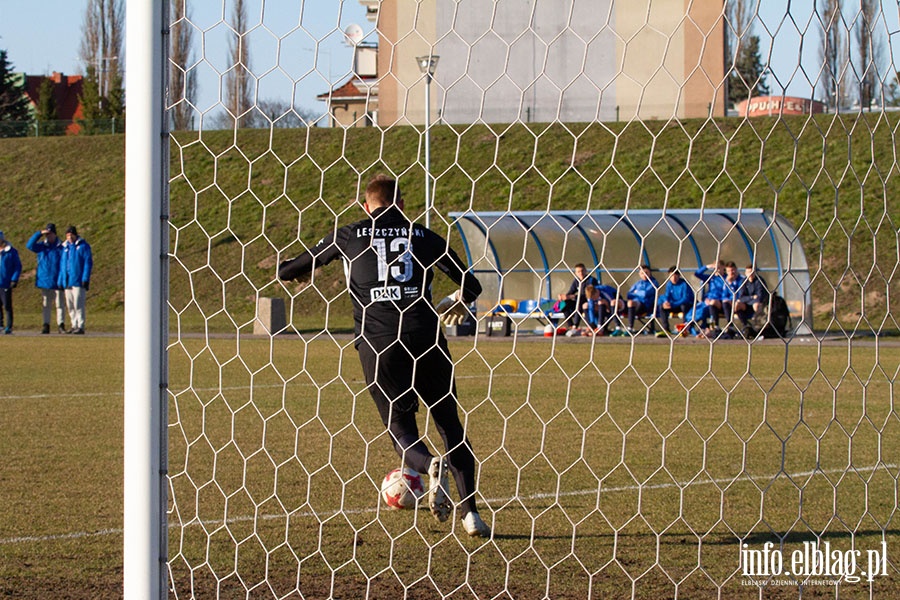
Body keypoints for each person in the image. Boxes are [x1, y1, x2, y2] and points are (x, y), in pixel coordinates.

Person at [277, 175, 491, 537]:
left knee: (400, 428)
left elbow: (287, 269)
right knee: (449, 423)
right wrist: (458, 300)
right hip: (427, 337)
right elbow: (472, 284)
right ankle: (471, 515)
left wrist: (303, 272)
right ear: (403, 205)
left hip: (379, 345)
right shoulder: (423, 236)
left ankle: (428, 464)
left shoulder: (349, 235)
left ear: (366, 206)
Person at [27, 223, 65, 334]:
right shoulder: (42, 246)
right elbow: (29, 245)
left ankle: (61, 324)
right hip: (45, 278)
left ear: (55, 234)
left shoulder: (61, 246)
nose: (49, 236)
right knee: (46, 303)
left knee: (60, 303)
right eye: (47, 234)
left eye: (50, 234)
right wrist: (39, 233)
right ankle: (46, 324)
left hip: (58, 278)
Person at [58, 225, 93, 335]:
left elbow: (87, 263)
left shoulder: (83, 246)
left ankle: (80, 325)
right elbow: (62, 265)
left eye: (71, 235)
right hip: (67, 280)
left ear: (75, 234)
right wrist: (60, 280)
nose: (69, 237)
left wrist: (85, 278)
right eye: (67, 235)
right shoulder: (65, 247)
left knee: (78, 304)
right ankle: (74, 324)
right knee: (70, 304)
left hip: (78, 279)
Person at [557, 263, 599, 335]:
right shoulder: (576, 281)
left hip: (590, 303)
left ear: (586, 271)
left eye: (582, 271)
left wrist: (571, 296)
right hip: (579, 302)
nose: (581, 273)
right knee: (564, 304)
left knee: (579, 301)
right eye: (578, 272)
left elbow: (588, 295)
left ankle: (575, 326)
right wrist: (563, 296)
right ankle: (570, 325)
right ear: (575, 273)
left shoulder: (591, 280)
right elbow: (570, 292)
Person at [615, 264, 658, 335]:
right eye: (642, 273)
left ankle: (630, 328)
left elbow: (645, 294)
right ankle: (617, 328)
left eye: (646, 273)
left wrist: (636, 292)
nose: (644, 275)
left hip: (644, 306)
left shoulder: (653, 283)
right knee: (615, 302)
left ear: (650, 273)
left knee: (630, 303)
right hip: (633, 305)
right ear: (639, 274)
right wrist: (638, 293)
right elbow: (629, 294)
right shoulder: (638, 283)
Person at [656, 266, 694, 337]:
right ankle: (666, 329)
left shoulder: (684, 284)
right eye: (671, 276)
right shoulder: (669, 284)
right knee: (662, 307)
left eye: (675, 276)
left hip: (684, 305)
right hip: (673, 305)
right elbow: (667, 295)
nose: (673, 278)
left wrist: (673, 304)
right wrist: (666, 302)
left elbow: (685, 298)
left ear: (679, 276)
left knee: (684, 306)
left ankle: (684, 329)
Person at [734, 264, 770, 336]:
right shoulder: (743, 281)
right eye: (748, 272)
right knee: (737, 305)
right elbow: (741, 297)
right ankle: (745, 325)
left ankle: (757, 326)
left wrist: (750, 298)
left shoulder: (759, 281)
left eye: (752, 272)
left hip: (758, 305)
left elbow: (759, 297)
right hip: (748, 304)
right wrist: (751, 297)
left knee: (756, 305)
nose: (750, 274)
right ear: (745, 273)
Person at [0, 231, 23, 335]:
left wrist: (14, 279)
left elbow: (17, 266)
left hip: (5, 282)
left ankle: (9, 326)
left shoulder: (11, 251)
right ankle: (0, 324)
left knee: (7, 305)